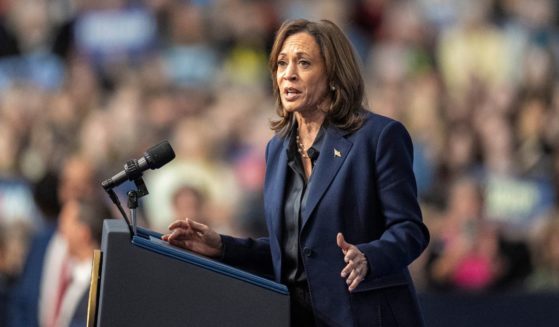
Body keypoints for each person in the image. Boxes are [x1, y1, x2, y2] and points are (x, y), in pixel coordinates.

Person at [163, 19, 430, 327]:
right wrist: (223, 247)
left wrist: (369, 257)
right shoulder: (277, 150)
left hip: (367, 315)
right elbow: (293, 251)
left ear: (333, 74)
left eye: (303, 63)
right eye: (281, 63)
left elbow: (410, 231)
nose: (288, 73)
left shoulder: (378, 137)